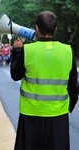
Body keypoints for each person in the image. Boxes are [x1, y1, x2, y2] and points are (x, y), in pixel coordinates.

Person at [11, 11, 79, 150]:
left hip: (30, 116)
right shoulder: (67, 51)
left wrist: (17, 51)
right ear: (55, 29)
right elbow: (73, 87)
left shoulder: (27, 50)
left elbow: (15, 75)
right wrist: (68, 107)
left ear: (36, 28)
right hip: (58, 116)